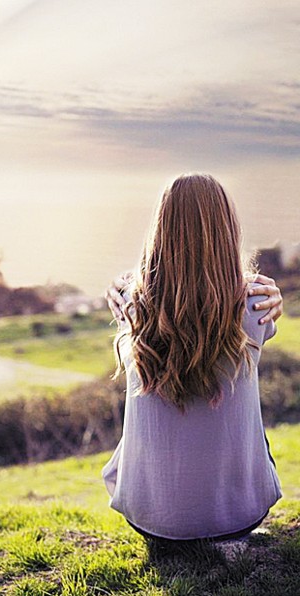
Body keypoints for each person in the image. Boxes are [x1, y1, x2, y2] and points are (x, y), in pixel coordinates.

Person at [101, 173, 284, 543]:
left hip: (148, 519)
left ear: (160, 230)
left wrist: (122, 287)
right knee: (255, 435)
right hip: (236, 519)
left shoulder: (132, 305)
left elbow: (139, 289)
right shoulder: (254, 304)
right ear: (227, 230)